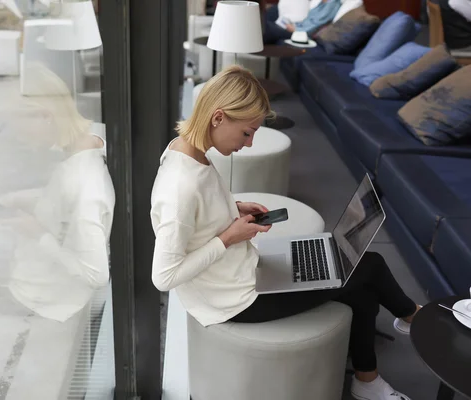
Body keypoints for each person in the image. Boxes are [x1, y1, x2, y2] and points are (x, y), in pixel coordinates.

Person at [150, 65, 421, 400]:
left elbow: (200, 213)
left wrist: (234, 208)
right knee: (369, 267)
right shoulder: (181, 185)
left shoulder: (187, 149)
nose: (248, 145)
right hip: (234, 300)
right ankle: (417, 323)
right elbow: (164, 277)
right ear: (218, 117)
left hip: (242, 272)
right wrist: (228, 237)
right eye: (247, 133)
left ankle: (369, 378)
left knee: (353, 273)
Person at [0, 64, 115, 322]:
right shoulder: (94, 137)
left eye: (17, 124)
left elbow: (95, 275)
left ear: (45, 116)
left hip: (48, 300)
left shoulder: (84, 183)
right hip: (44, 284)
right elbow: (69, 202)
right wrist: (30, 197)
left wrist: (38, 233)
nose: (15, 134)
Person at [263, 0, 341, 44]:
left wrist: (295, 29)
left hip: (300, 34)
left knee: (268, 28)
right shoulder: (323, 3)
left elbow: (315, 25)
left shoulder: (332, 5)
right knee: (267, 22)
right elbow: (308, 20)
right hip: (296, 28)